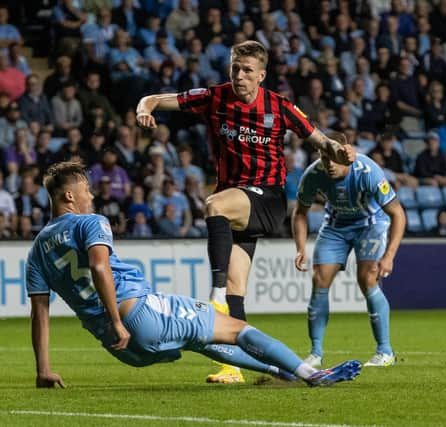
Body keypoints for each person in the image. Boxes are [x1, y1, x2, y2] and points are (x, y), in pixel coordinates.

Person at [25, 161, 362, 388]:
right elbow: (100, 267)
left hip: (122, 349)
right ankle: (310, 373)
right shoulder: (90, 222)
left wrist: (43, 371)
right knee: (237, 327)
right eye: (85, 189)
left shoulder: (37, 249)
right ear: (69, 195)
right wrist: (117, 319)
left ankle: (282, 372)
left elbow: (40, 312)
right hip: (138, 316)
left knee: (203, 340)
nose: (91, 194)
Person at [135, 40, 355, 383]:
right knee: (238, 288)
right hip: (238, 202)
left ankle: (214, 295)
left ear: (261, 75)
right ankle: (232, 367)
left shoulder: (279, 106)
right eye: (235, 68)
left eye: (247, 70)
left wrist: (339, 151)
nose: (239, 75)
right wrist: (143, 110)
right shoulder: (214, 97)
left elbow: (321, 140)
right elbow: (155, 99)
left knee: (214, 204)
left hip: (267, 199)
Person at [292, 135, 406, 368]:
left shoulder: (368, 171)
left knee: (366, 278)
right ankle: (315, 353)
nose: (329, 164)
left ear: (346, 155)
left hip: (370, 224)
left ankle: (385, 351)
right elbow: (300, 212)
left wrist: (390, 256)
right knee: (319, 279)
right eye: (325, 158)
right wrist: (300, 248)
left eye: (334, 158)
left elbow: (397, 213)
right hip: (336, 226)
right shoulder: (313, 174)